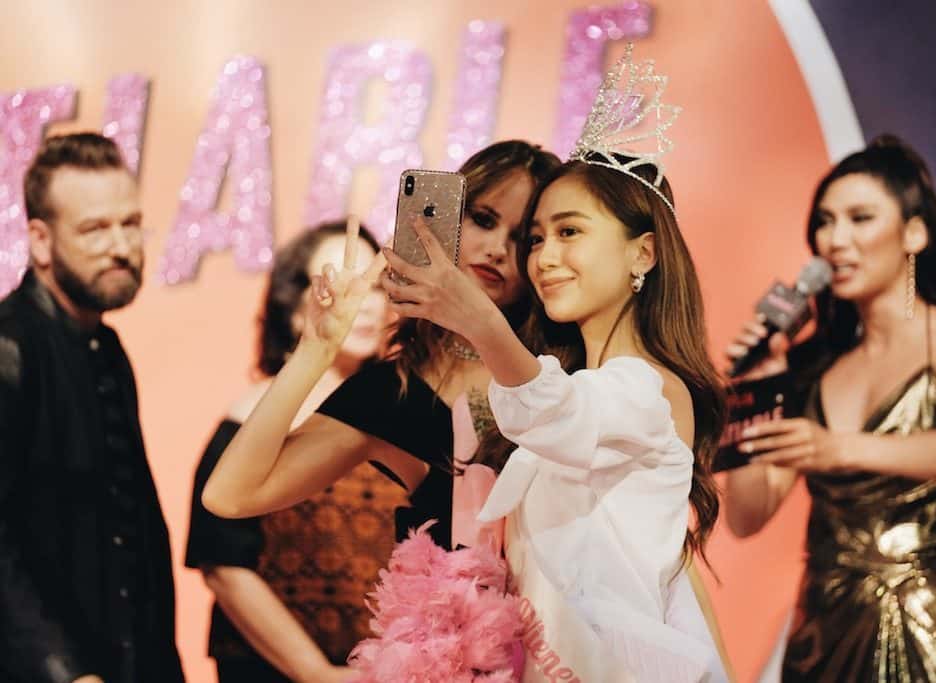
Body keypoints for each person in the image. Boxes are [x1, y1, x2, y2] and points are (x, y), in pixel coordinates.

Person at [376, 47, 731, 681]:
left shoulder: (649, 388)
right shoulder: (579, 387)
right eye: (536, 239)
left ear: (643, 254)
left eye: (570, 232)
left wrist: (478, 320)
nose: (543, 257)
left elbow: (559, 412)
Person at [725, 135, 936, 682]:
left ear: (914, 234)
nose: (836, 240)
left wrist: (839, 448)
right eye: (825, 222)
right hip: (822, 632)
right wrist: (756, 394)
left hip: (929, 630)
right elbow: (746, 516)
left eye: (860, 218)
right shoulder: (815, 367)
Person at [202, 140, 560, 553]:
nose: (497, 249)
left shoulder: (570, 368)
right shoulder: (393, 392)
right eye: (483, 219)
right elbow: (230, 496)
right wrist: (316, 350)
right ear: (446, 220)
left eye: (523, 237)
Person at [0, 133, 183, 683]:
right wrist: (63, 671)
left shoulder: (107, 347)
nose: (122, 246)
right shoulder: (10, 349)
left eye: (131, 223)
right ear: (40, 240)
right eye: (95, 229)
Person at [185, 219, 401, 682]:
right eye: (342, 283)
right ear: (294, 308)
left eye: (374, 286)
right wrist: (315, 672)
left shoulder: (399, 412)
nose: (364, 302)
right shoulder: (250, 423)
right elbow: (224, 565)